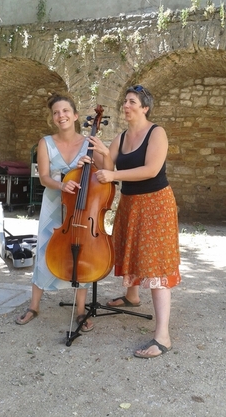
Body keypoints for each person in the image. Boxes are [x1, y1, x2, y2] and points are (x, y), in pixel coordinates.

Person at [85, 84, 181, 357]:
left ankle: (163, 337)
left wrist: (113, 176)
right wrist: (99, 152)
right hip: (131, 203)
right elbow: (107, 169)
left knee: (155, 261)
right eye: (125, 102)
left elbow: (151, 170)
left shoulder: (156, 133)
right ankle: (132, 296)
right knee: (132, 250)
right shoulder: (121, 137)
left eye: (131, 102)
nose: (126, 106)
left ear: (145, 107)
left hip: (155, 203)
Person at [16, 93, 103, 331]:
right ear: (53, 118)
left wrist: (103, 152)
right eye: (56, 112)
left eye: (65, 111)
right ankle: (34, 306)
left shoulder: (89, 143)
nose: (61, 115)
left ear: (75, 115)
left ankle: (82, 310)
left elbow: (105, 174)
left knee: (82, 253)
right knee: (45, 251)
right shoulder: (45, 143)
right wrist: (63, 183)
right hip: (54, 204)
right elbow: (44, 178)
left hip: (81, 208)